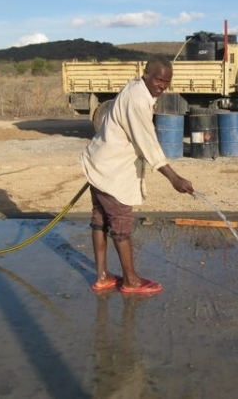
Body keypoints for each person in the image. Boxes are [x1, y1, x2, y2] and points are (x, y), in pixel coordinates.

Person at [80, 55, 194, 294]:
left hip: (99, 163)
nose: (162, 86)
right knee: (120, 223)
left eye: (167, 82)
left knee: (100, 219)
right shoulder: (138, 100)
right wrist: (174, 178)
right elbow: (148, 143)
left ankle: (102, 276)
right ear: (146, 74)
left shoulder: (135, 86)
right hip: (112, 172)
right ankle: (131, 280)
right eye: (158, 80)